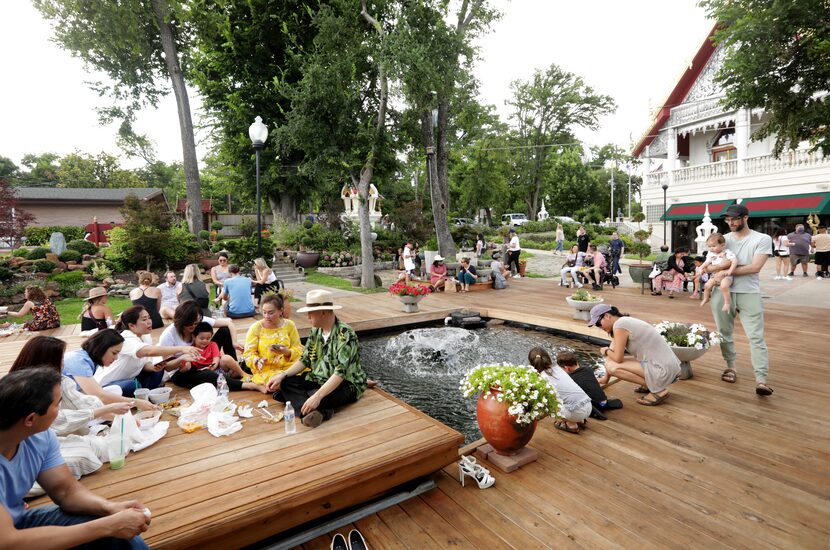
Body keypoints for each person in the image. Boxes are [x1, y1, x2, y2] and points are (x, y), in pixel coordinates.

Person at [0, 368, 151, 549]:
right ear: (31, 419)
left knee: (117, 535)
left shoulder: (41, 437)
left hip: (18, 522)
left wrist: (109, 508)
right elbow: (8, 542)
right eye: (58, 404)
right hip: (7, 537)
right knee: (106, 528)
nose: (60, 410)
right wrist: (109, 526)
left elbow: (66, 491)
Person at [10, 337, 134, 485]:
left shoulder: (59, 380)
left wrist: (117, 415)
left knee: (100, 445)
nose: (64, 363)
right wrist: (107, 411)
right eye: (61, 358)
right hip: (29, 443)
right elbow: (57, 421)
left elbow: (82, 401)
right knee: (82, 454)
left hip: (50, 436)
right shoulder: (25, 388)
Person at [265, 289, 368, 428]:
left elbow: (340, 373)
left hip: (344, 383)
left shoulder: (346, 334)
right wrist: (282, 375)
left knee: (328, 394)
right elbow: (305, 359)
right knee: (286, 382)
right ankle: (315, 408)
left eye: (310, 313)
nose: (308, 317)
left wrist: (318, 396)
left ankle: (310, 406)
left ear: (323, 312)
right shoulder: (316, 331)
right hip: (318, 379)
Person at [704, 203, 773, 395]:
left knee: (756, 336)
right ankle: (731, 367)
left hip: (749, 292)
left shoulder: (762, 238)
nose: (731, 222)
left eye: (735, 219)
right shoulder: (721, 239)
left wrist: (724, 270)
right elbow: (707, 266)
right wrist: (717, 270)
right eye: (728, 219)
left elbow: (755, 267)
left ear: (745, 218)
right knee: (724, 332)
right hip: (721, 292)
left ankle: (761, 379)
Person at [158, 301, 265, 393]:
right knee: (207, 375)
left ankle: (234, 369)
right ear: (180, 320)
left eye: (195, 323)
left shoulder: (198, 320)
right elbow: (168, 367)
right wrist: (182, 358)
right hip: (183, 370)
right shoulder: (168, 335)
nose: (193, 326)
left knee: (224, 331)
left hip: (205, 357)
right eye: (189, 324)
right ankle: (247, 385)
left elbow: (229, 323)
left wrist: (234, 342)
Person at [93, 306, 200, 396]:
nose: (149, 322)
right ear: (132, 326)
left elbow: (143, 363)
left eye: (149, 318)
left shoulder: (145, 336)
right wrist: (182, 348)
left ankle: (144, 393)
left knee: (158, 372)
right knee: (132, 385)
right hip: (106, 385)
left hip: (132, 377)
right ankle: (141, 393)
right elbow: (148, 351)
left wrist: (154, 367)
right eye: (144, 319)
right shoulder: (125, 339)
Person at [589, 304, 681, 406]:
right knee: (609, 362)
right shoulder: (623, 321)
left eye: (598, 323)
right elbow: (613, 352)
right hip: (667, 366)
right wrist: (605, 379)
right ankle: (650, 385)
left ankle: (658, 391)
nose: (599, 327)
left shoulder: (620, 326)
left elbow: (618, 358)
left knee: (612, 367)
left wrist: (605, 351)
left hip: (663, 370)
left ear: (606, 316)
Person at [63, 329, 157, 411]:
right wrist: (136, 402)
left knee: (115, 390)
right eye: (114, 353)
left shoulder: (87, 359)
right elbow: (98, 395)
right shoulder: (79, 360)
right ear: (102, 348)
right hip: (61, 406)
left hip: (70, 400)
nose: (116, 358)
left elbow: (87, 393)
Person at [242, 294, 303, 385]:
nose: (267, 316)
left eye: (270, 313)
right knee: (279, 382)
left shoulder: (289, 325)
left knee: (307, 375)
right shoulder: (257, 328)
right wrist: (258, 361)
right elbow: (248, 353)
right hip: (266, 369)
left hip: (288, 366)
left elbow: (298, 348)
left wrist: (287, 352)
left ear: (281, 311)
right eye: (264, 312)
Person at [528, 347, 591, 434]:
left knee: (548, 401)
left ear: (532, 363)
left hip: (576, 414)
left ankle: (571, 424)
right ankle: (580, 420)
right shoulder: (558, 368)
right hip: (588, 405)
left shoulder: (541, 378)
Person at [556, 350, 622, 420]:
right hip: (603, 402)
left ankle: (596, 413)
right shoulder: (588, 369)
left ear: (567, 368)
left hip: (594, 405)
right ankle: (604, 405)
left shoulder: (570, 380)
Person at [698, 233, 737, 311]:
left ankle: (727, 303)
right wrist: (701, 267)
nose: (711, 248)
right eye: (709, 246)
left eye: (713, 246)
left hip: (726, 276)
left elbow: (734, 261)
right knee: (707, 286)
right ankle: (706, 298)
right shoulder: (711, 254)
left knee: (724, 286)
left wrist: (730, 270)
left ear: (722, 245)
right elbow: (707, 262)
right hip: (715, 275)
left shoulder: (727, 252)